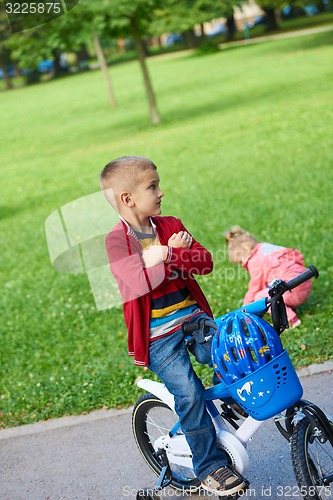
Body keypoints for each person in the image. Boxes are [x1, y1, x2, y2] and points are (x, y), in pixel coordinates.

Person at [100, 156, 247, 497]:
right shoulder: (117, 242)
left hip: (193, 322)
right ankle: (210, 468)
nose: (161, 191)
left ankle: (234, 398)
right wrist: (169, 256)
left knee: (233, 350)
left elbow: (205, 262)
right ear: (127, 198)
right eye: (152, 186)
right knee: (190, 394)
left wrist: (165, 253)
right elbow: (137, 283)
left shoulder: (169, 226)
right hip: (159, 341)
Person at [225, 226, 312, 328]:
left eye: (241, 261)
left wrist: (244, 308)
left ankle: (291, 320)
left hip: (294, 290)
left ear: (245, 250)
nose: (243, 266)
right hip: (304, 282)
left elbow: (255, 287)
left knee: (262, 297)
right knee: (274, 286)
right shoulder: (264, 249)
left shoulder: (254, 261)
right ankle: (289, 309)